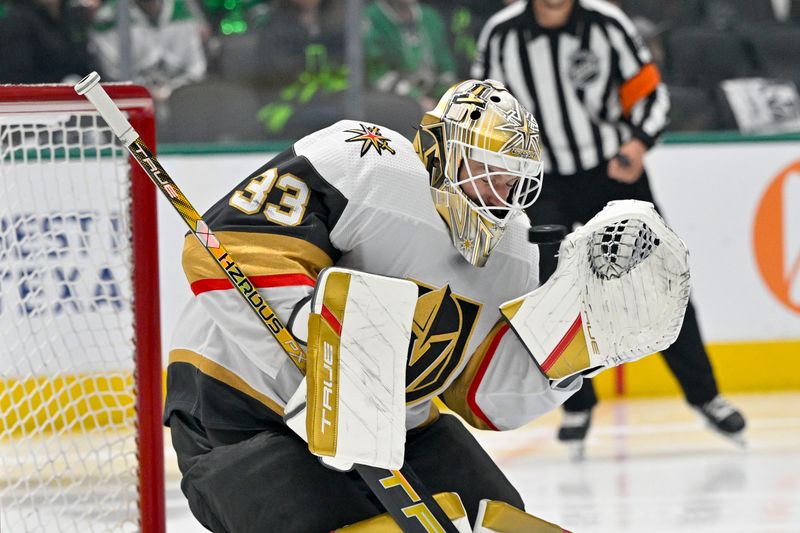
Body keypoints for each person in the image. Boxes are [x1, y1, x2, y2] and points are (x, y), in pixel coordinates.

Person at [163, 79, 588, 531]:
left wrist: (581, 350)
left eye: (514, 175)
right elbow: (224, 249)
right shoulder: (365, 161)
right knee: (325, 521)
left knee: (499, 519)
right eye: (488, 167)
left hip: (395, 426)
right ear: (442, 149)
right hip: (238, 409)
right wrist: (324, 355)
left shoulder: (513, 251)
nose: (502, 186)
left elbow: (478, 395)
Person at [472, 0, 746, 455]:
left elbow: (650, 91)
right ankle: (577, 401)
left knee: (658, 278)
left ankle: (706, 395)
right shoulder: (501, 34)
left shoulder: (606, 23)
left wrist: (638, 143)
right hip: (542, 182)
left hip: (612, 169)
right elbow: (483, 108)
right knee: (549, 293)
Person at [90, 0, 206, 102]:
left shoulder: (185, 11)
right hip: (133, 106)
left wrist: (171, 89)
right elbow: (114, 75)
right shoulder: (107, 20)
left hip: (182, 101)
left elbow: (196, 69)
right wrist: (146, 90)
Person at [363, 0, 457, 110]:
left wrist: (449, 94)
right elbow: (378, 74)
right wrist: (416, 98)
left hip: (432, 96)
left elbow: (445, 63)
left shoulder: (430, 16)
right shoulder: (370, 18)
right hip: (393, 102)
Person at [0, 0, 102, 84]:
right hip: (40, 101)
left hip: (81, 97)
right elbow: (15, 80)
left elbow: (88, 64)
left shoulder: (73, 16)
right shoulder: (16, 22)